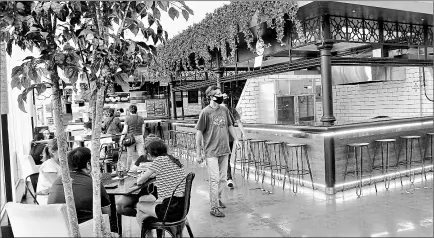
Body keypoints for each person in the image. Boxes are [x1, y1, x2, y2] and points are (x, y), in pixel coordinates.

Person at [195, 85, 240, 218]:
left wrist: (236, 139)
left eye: (221, 93)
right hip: (211, 151)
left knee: (222, 179)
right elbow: (198, 132)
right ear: (211, 97)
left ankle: (218, 198)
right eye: (218, 94)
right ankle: (213, 207)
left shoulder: (224, 110)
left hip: (224, 149)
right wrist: (198, 153)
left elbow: (230, 125)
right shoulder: (205, 112)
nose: (221, 96)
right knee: (214, 179)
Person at [47, 147, 111, 224]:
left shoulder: (57, 181)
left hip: (58, 228)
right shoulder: (94, 183)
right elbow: (106, 213)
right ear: (88, 165)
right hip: (83, 230)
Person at [135, 139, 186, 226]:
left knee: (139, 205)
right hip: (182, 206)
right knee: (142, 209)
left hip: (170, 210)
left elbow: (139, 181)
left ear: (151, 153)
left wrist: (142, 176)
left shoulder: (158, 160)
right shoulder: (172, 159)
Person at [115, 134, 161, 217]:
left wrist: (148, 173)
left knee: (142, 202)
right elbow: (131, 172)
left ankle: (147, 218)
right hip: (136, 190)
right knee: (119, 206)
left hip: (153, 191)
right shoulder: (142, 158)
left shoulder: (163, 160)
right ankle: (145, 219)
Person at [222, 95, 246, 189]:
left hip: (227, 139)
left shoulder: (227, 110)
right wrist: (243, 134)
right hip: (228, 139)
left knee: (224, 159)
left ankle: (227, 178)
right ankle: (228, 178)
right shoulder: (231, 110)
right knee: (226, 159)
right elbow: (239, 122)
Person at [36, 138, 62, 205]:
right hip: (47, 200)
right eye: (63, 149)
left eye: (67, 149)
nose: (67, 151)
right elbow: (58, 185)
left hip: (56, 194)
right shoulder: (48, 165)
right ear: (53, 152)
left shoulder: (61, 163)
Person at [120, 104, 145, 171]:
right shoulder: (141, 118)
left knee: (130, 155)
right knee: (141, 154)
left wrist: (121, 139)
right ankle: (141, 168)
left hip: (130, 138)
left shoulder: (127, 118)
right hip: (140, 136)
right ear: (136, 111)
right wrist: (141, 136)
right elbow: (143, 129)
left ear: (129, 111)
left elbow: (125, 130)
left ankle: (128, 169)